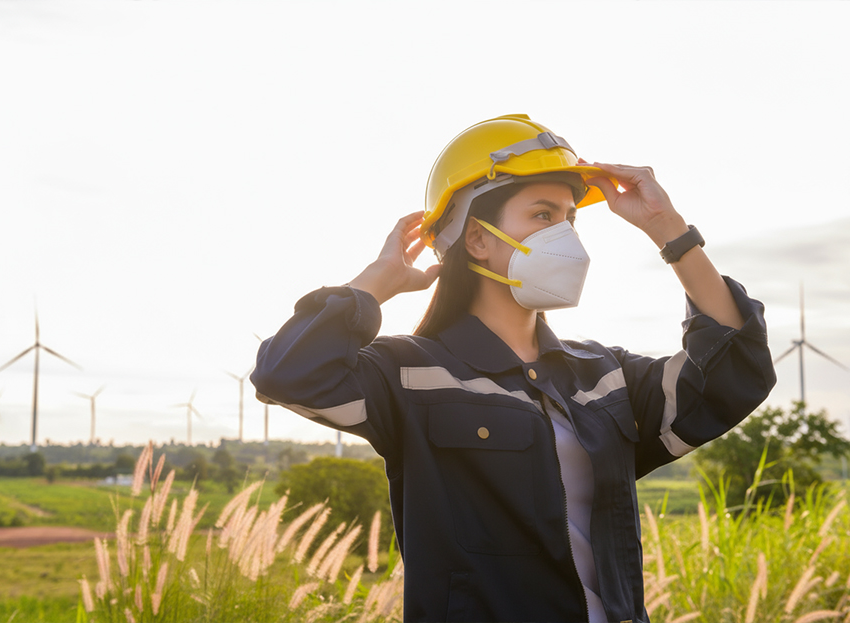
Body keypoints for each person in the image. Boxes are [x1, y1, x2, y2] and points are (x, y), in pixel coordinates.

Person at [251, 114, 776, 623]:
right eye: (543, 215)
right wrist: (378, 279)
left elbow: (734, 372)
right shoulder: (410, 374)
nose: (566, 236)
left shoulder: (604, 374)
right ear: (476, 238)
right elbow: (288, 373)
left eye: (569, 218)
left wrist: (671, 231)